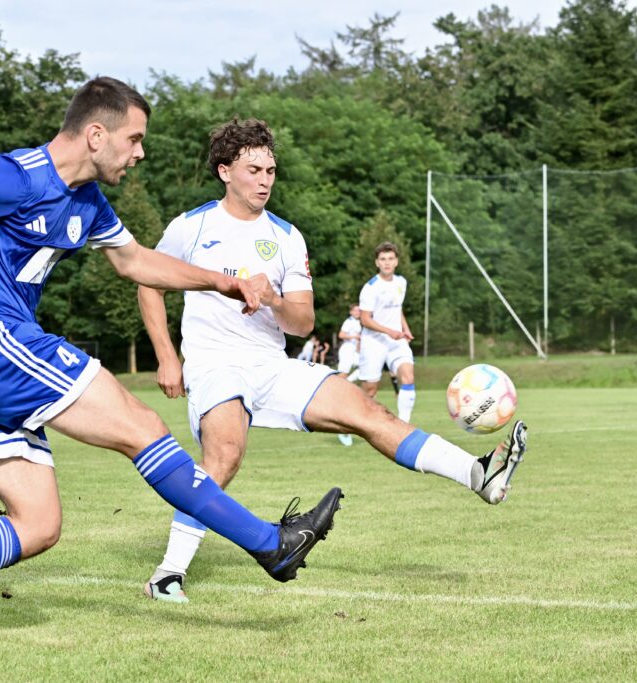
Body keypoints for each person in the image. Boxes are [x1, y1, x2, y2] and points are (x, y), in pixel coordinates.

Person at [0, 78, 343, 651]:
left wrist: (226, 283)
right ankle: (269, 544)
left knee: (38, 524)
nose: (140, 152)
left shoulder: (86, 202)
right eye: (134, 139)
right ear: (97, 133)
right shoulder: (22, 173)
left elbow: (136, 262)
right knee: (143, 428)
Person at [137, 118, 528, 603]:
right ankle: (168, 573)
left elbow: (302, 322)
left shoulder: (286, 237)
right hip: (214, 362)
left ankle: (478, 474)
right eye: (254, 169)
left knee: (369, 412)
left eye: (272, 170)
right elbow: (147, 281)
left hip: (273, 364)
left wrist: (274, 297)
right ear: (224, 171)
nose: (265, 180)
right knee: (224, 456)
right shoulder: (191, 226)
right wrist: (166, 356)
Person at [358, 243, 416, 423]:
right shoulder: (370, 288)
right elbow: (365, 319)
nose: (387, 263)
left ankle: (403, 427)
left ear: (396, 261)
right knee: (370, 390)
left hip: (396, 340)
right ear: (377, 263)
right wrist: (389, 331)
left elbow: (397, 309)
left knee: (408, 377)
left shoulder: (401, 282)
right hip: (374, 342)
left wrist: (405, 329)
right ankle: (352, 425)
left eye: (390, 259)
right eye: (383, 259)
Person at [335, 304, 362, 446]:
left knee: (364, 369)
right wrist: (354, 336)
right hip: (346, 350)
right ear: (351, 311)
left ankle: (346, 385)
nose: (358, 312)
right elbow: (341, 335)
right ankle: (335, 392)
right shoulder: (349, 321)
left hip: (355, 351)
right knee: (343, 374)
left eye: (359, 310)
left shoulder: (361, 321)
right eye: (355, 310)